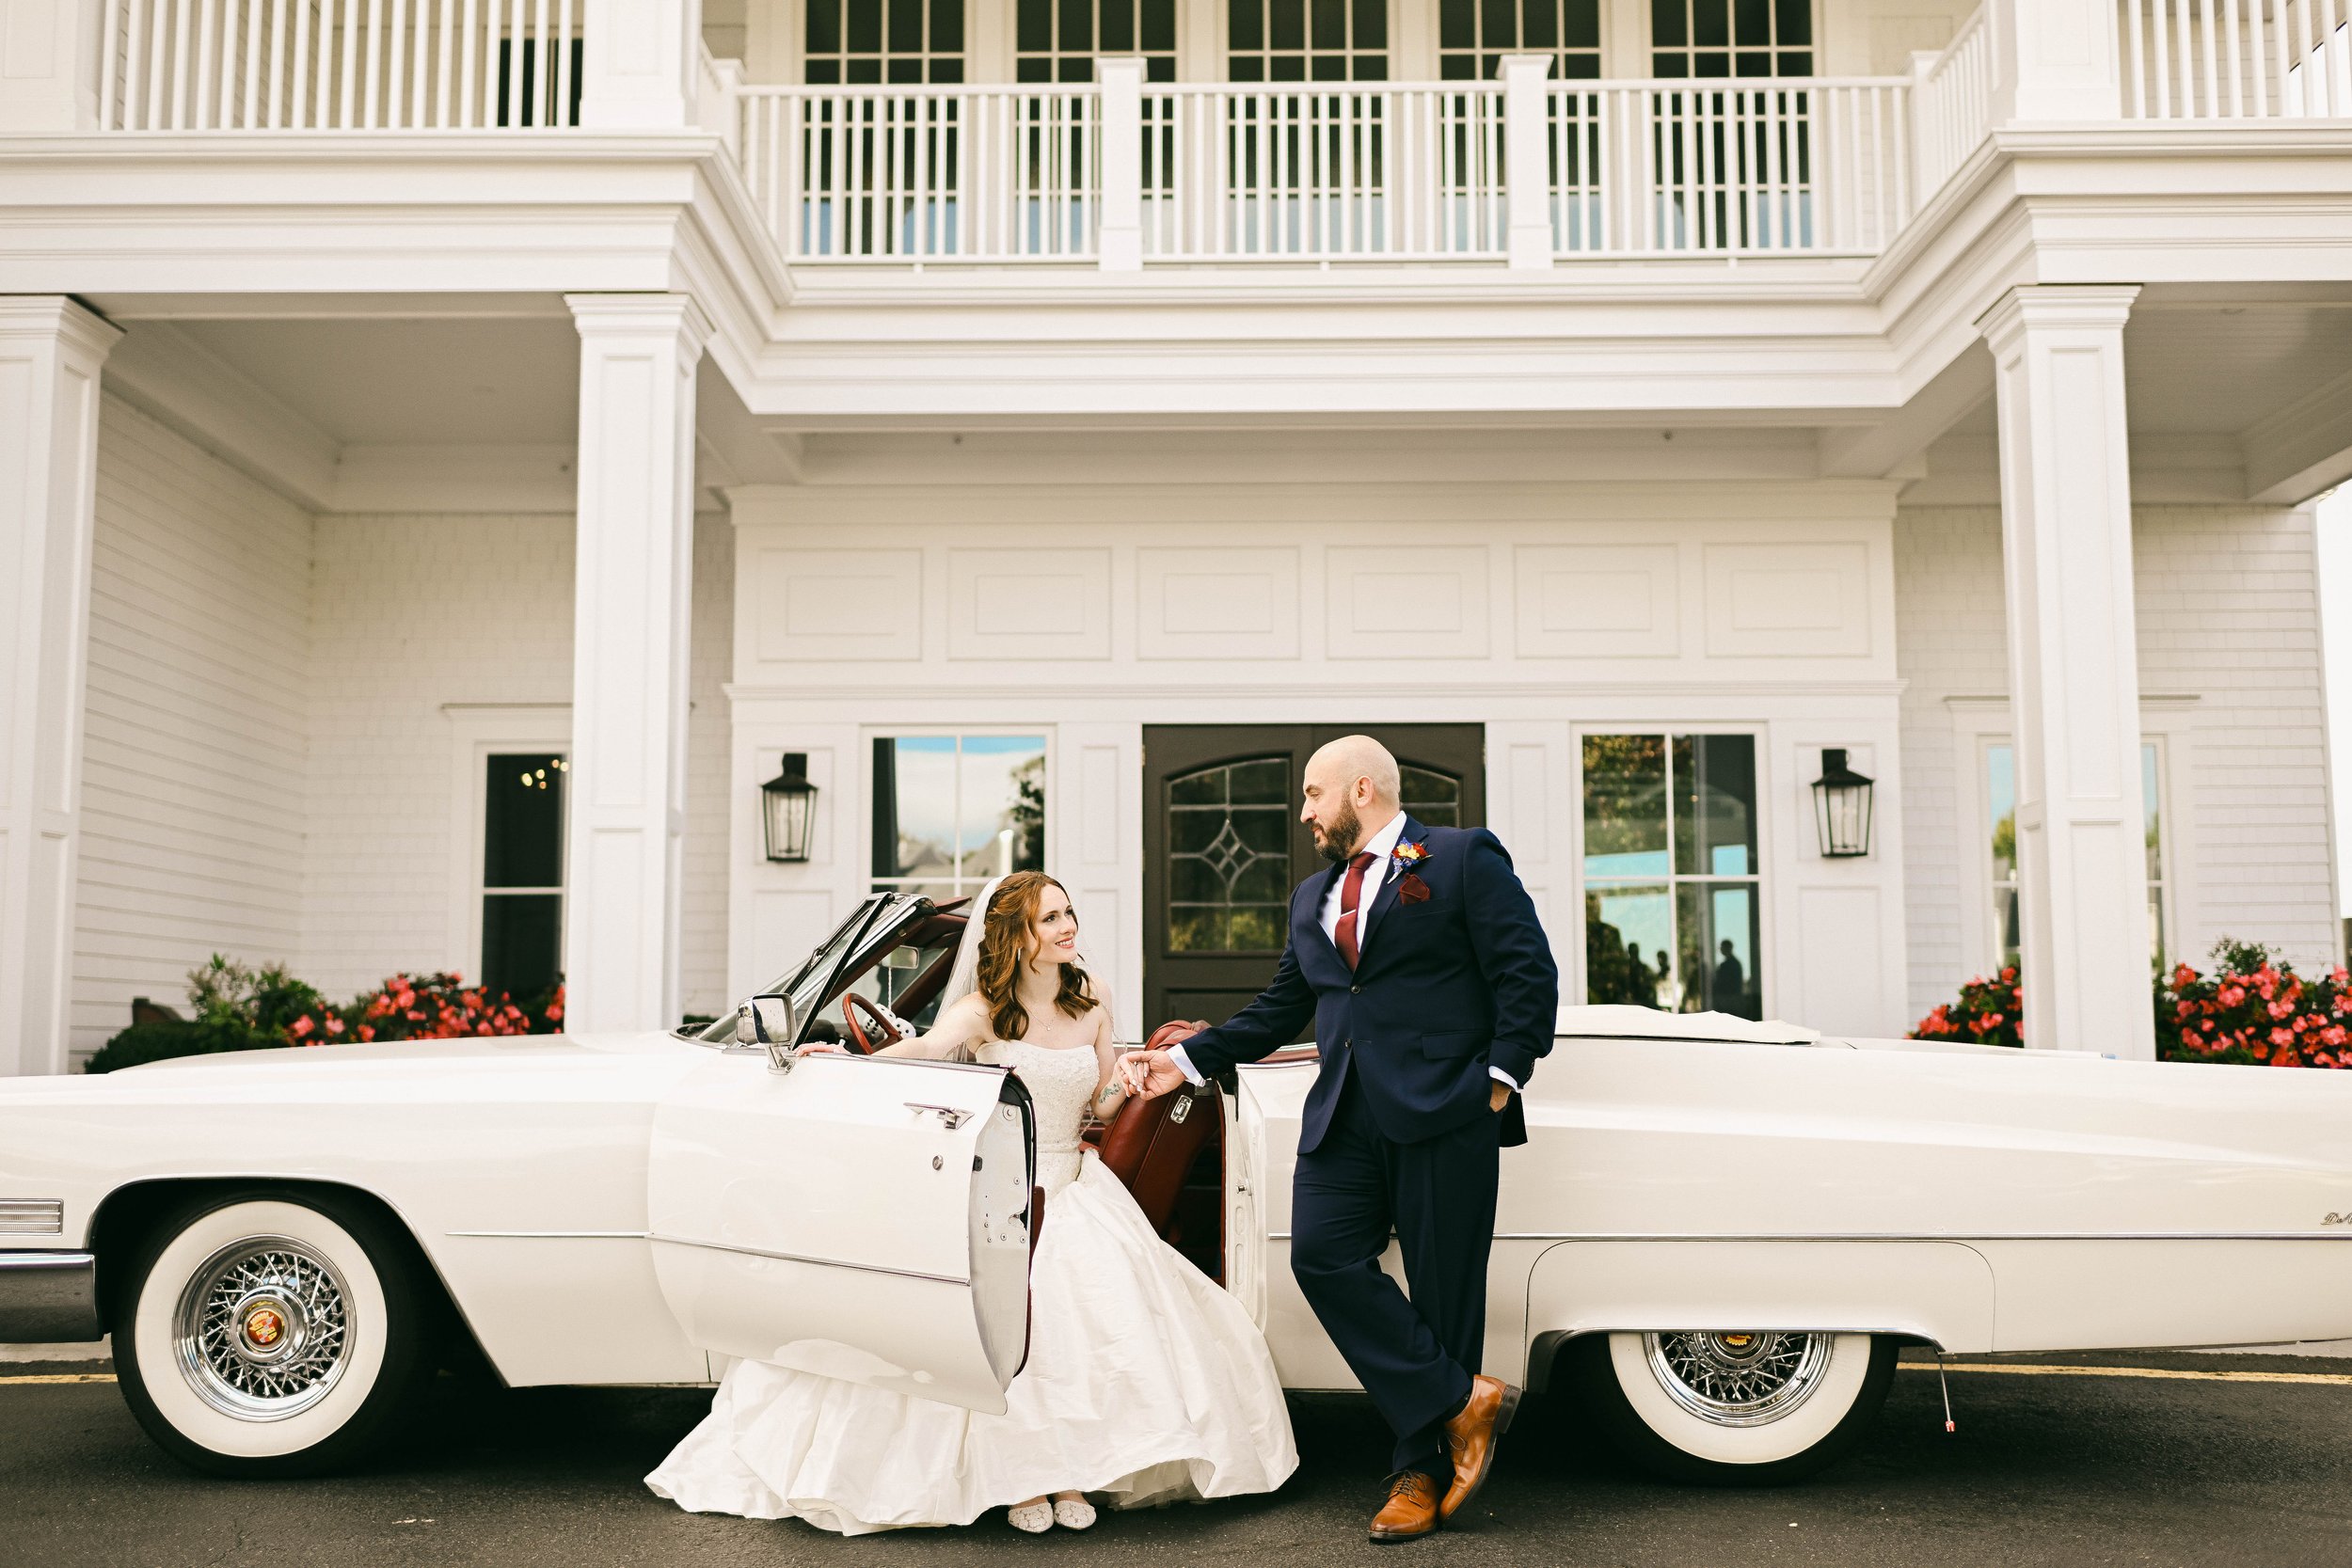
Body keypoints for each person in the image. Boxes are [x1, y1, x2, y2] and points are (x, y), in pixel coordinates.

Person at [646, 871, 1297, 1536]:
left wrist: (1130, 1083)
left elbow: (1097, 1101)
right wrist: (836, 1066)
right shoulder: (982, 1009)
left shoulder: (1094, 999)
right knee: (999, 1325)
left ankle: (1069, 1470)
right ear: (1017, 935)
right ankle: (1022, 1474)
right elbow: (924, 1051)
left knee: (1077, 1324)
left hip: (1074, 1185)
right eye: (1050, 919)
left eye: (1069, 912)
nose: (1068, 926)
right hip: (1000, 1192)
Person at [1123, 736, 1558, 1543]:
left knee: (1442, 1291)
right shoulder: (1311, 898)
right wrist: (1181, 1061)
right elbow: (1280, 1007)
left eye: (1314, 795)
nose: (1304, 813)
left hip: (1445, 1110)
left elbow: (1528, 972)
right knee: (1319, 1255)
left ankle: (1418, 1472)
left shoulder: (1462, 858)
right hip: (1341, 1117)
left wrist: (1497, 1082)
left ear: (1362, 790)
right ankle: (1463, 1401)